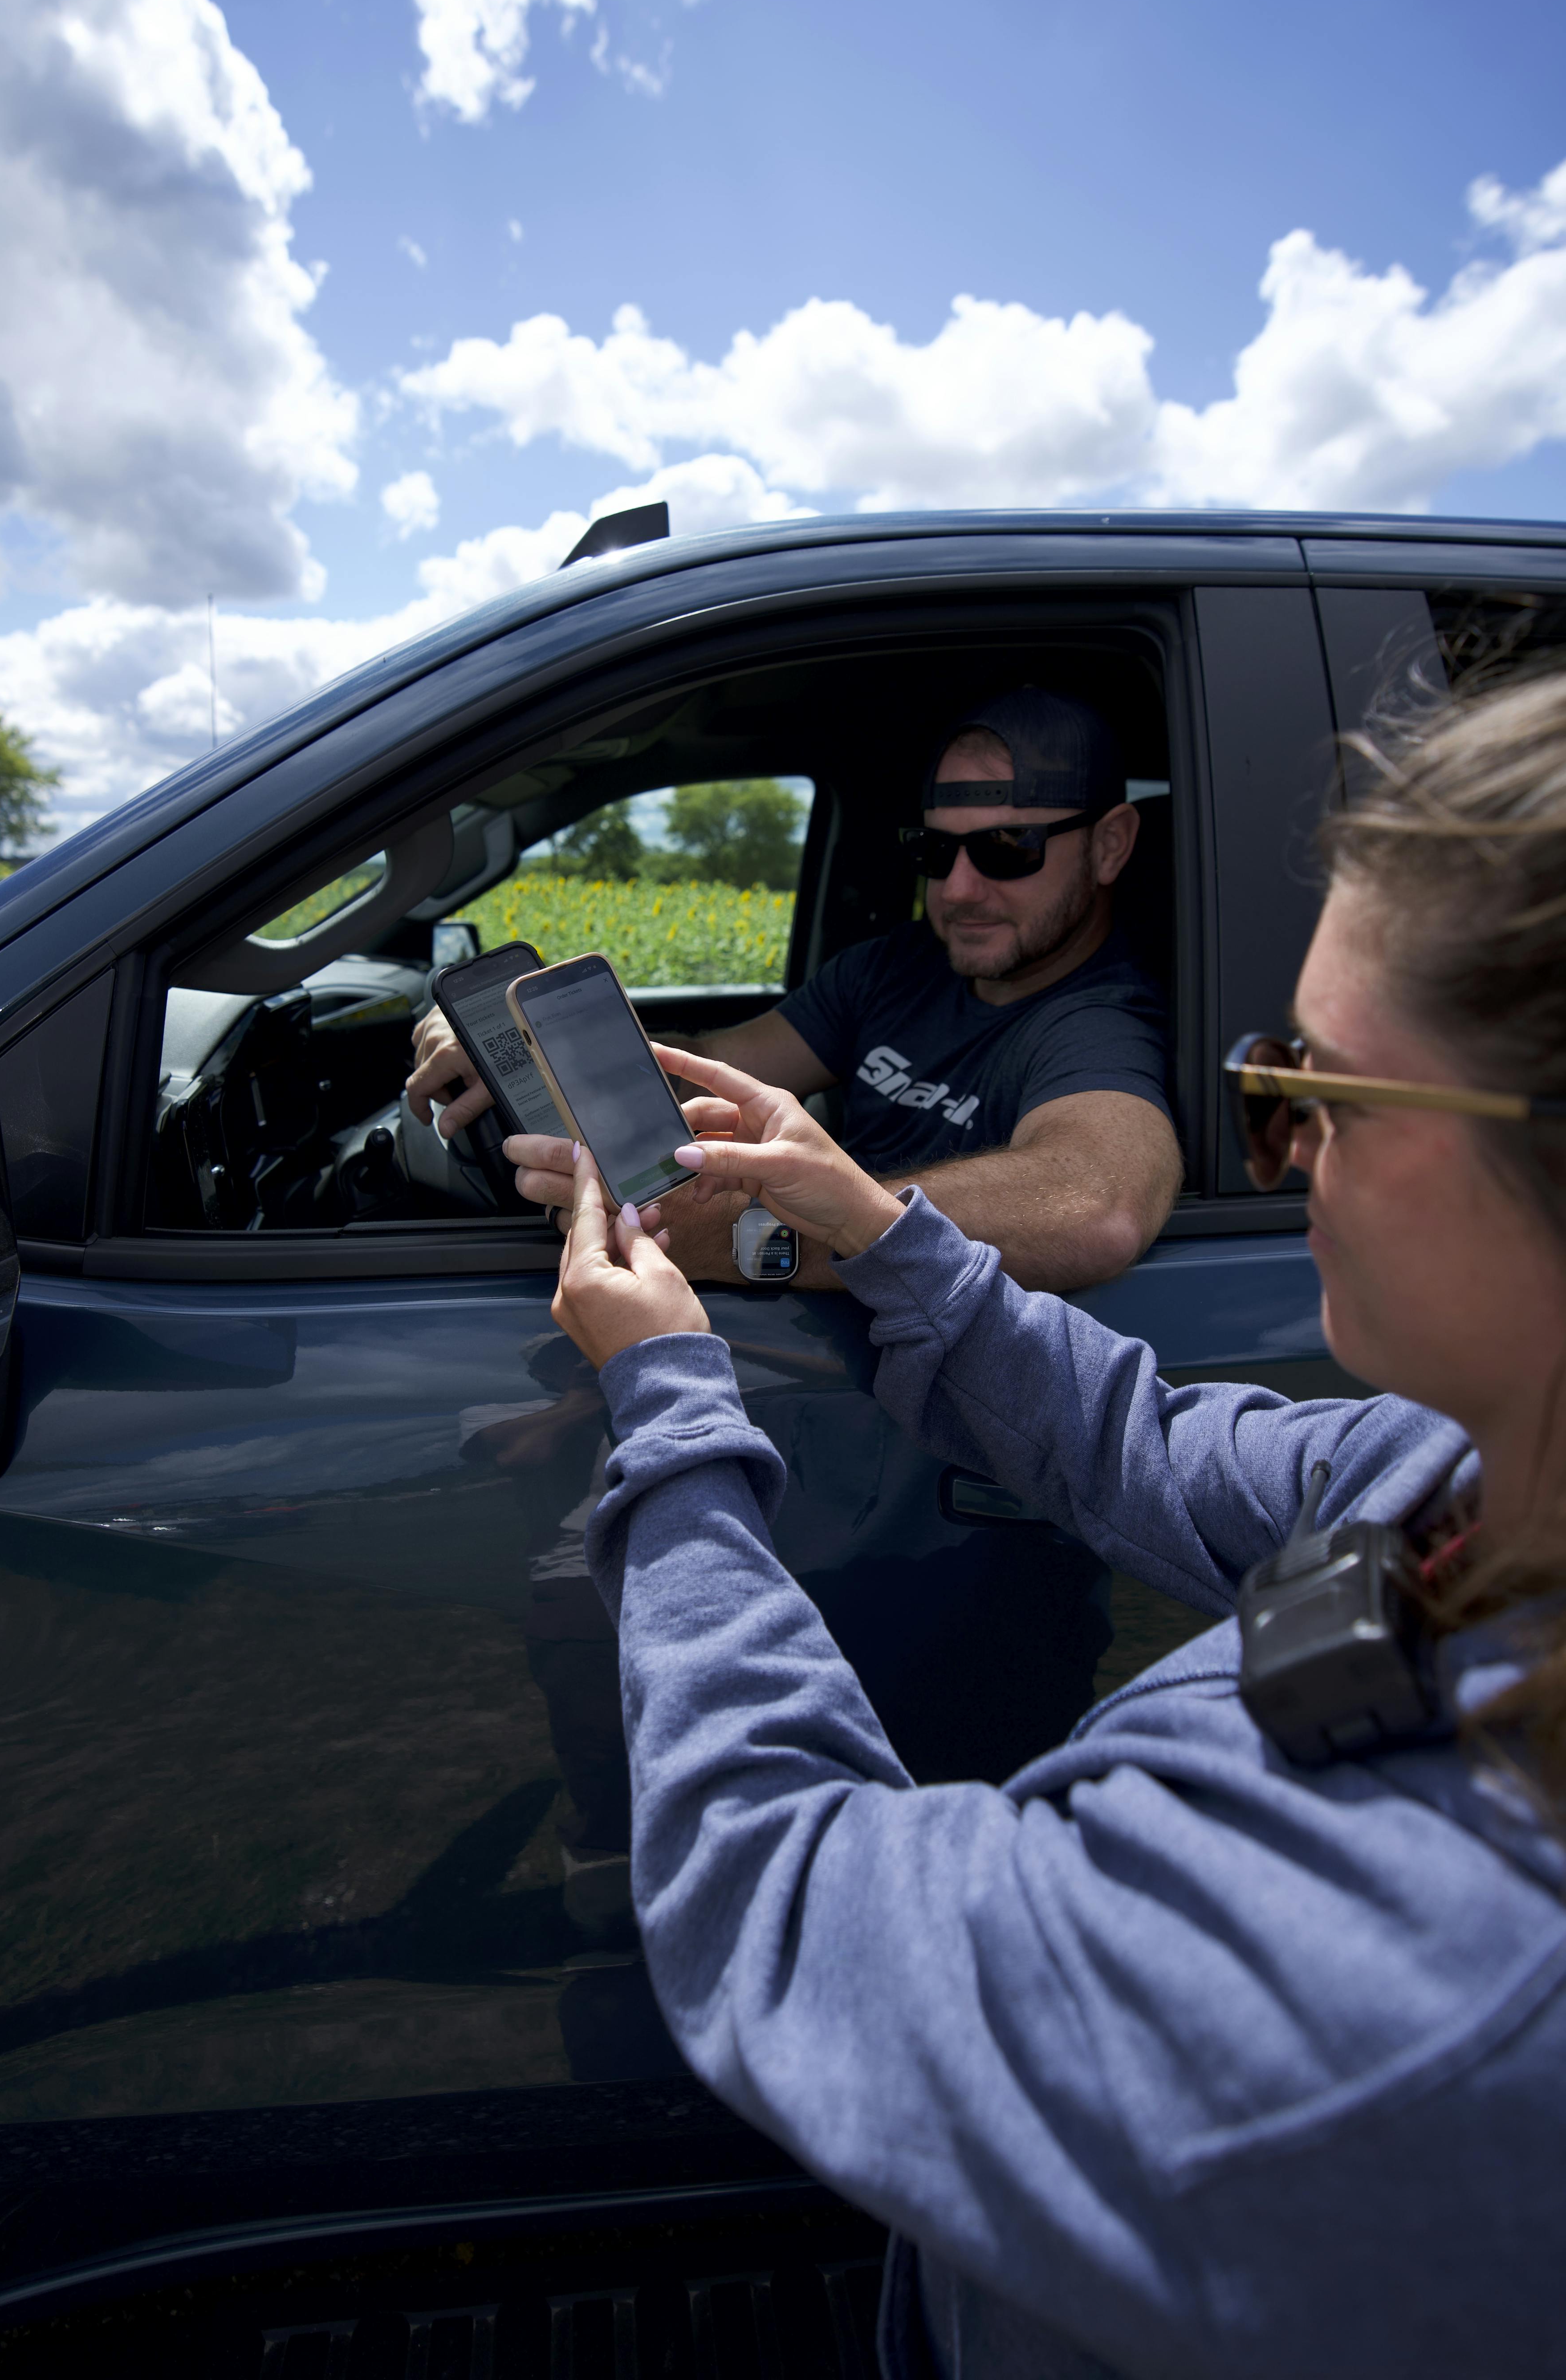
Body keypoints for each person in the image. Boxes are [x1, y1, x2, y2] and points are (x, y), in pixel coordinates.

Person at [539, 670, 1566, 2377]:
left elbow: (797, 1914)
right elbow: (1143, 1444)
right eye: (1271, 1078)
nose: (1283, 1148)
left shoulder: (1405, 1955)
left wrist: (672, 1411)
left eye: (1325, 1096)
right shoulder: (1448, 1479)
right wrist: (874, 1227)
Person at [407, 687, 1182, 1292]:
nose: (960, 889)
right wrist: (527, 1048)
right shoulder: (900, 966)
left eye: (1008, 849)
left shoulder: (1100, 1020)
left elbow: (1095, 1203)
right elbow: (709, 1063)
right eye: (935, 851)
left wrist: (756, 1236)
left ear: (1110, 845)